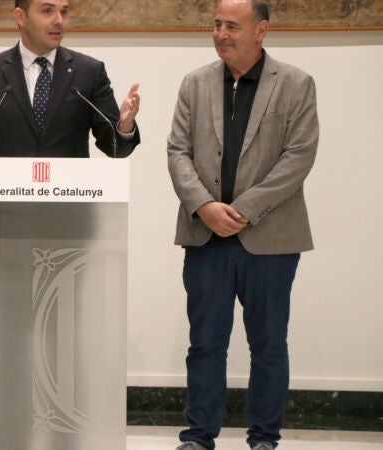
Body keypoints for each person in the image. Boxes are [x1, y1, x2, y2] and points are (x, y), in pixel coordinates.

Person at [167, 1, 319, 449]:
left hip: (270, 238)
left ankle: (264, 437)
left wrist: (244, 209)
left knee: (268, 344)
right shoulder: (194, 83)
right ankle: (198, 436)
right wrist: (205, 206)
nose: (221, 33)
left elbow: (299, 156)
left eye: (232, 25)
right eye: (217, 24)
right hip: (206, 236)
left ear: (261, 30)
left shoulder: (295, 84)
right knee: (205, 343)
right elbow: (177, 151)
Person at [0, 0, 141, 158]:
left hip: (69, 195)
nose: (59, 20)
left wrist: (124, 127)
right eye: (47, 11)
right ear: (21, 17)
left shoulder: (89, 72)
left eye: (63, 12)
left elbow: (116, 149)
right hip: (4, 196)